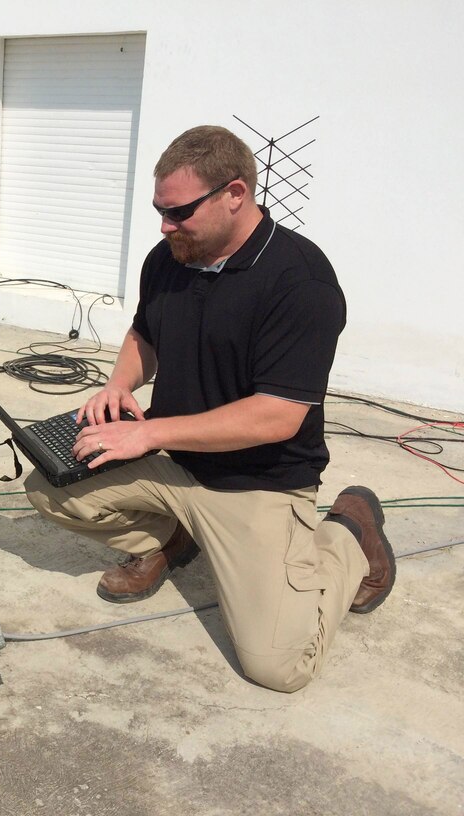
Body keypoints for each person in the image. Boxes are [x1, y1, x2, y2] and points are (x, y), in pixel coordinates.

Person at [24, 125, 395, 693]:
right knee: (49, 485)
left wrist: (148, 435)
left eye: (179, 212)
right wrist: (119, 384)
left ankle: (349, 531)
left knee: (279, 668)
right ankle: (170, 539)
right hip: (177, 463)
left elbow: (277, 415)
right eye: (160, 211)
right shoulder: (170, 256)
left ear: (235, 194)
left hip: (258, 484)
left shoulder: (301, 283)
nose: (166, 226)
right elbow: (144, 334)